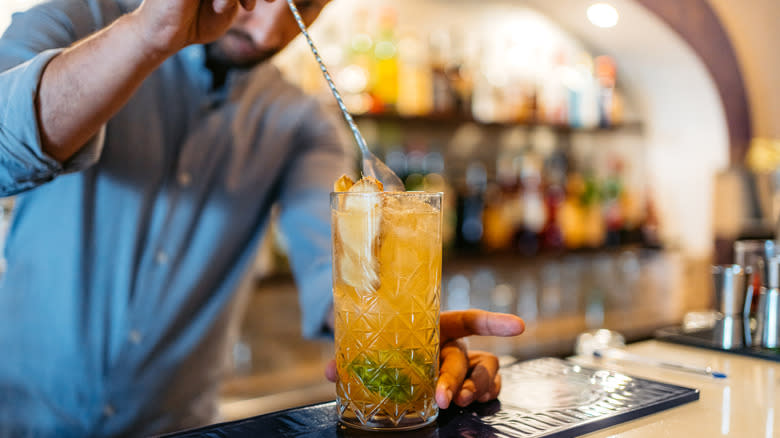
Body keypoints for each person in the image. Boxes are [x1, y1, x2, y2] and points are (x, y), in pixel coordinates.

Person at [0, 0, 525, 436]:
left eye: (306, 2)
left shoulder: (302, 123)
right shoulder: (73, 20)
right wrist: (147, 36)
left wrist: (404, 343)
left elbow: (335, 274)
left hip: (180, 429)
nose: (272, 25)